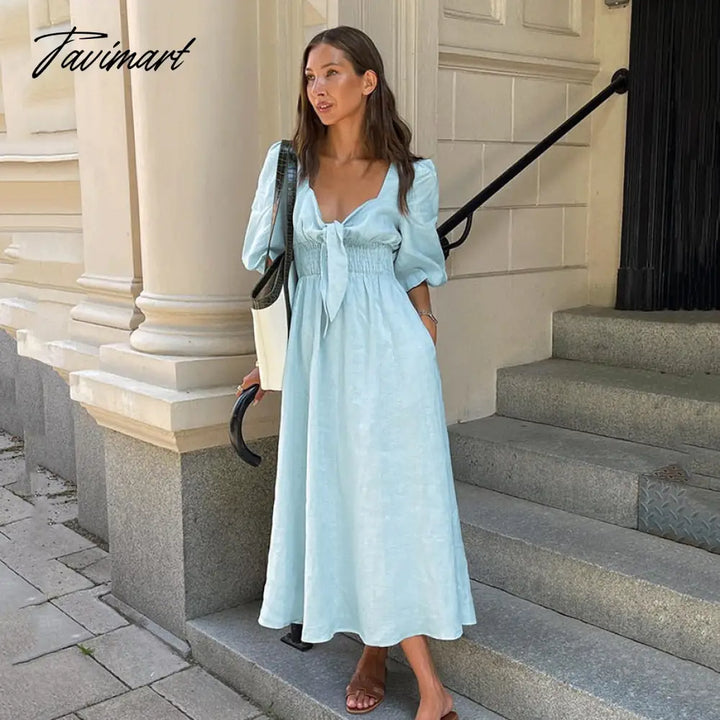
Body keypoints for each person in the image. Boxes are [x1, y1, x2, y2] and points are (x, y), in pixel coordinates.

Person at [238, 25, 476, 720]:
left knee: (389, 503)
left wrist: (425, 330)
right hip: (318, 357)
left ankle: (423, 683)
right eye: (310, 76)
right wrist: (268, 358)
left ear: (368, 81)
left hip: (391, 356)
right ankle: (386, 657)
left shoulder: (411, 175)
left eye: (333, 72)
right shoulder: (288, 165)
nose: (318, 88)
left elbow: (417, 269)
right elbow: (273, 268)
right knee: (343, 498)